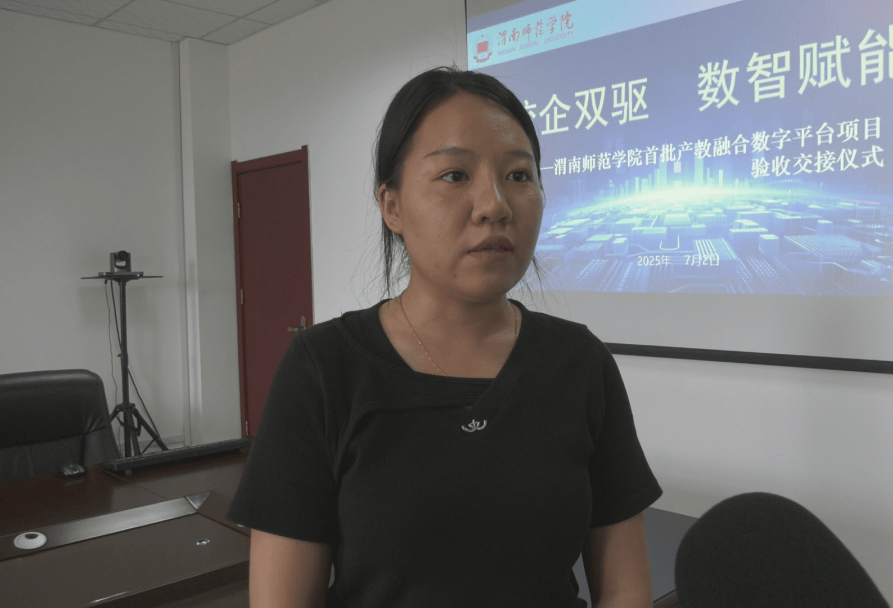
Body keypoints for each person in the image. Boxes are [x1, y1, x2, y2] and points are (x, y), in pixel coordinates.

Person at [226, 66, 662, 608]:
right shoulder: (324, 367)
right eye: (455, 175)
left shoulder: (580, 362)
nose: (495, 204)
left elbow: (625, 588)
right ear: (392, 206)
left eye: (519, 175)